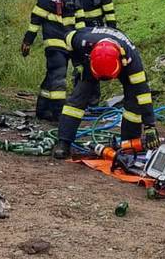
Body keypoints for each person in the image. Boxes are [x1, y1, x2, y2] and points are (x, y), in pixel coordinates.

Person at [53, 26, 159, 159]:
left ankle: (128, 145)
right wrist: (78, 63)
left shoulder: (132, 61)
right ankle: (63, 142)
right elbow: (67, 37)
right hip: (91, 64)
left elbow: (143, 94)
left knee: (134, 102)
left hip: (121, 62)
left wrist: (149, 125)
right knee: (77, 99)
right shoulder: (81, 41)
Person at [21, 0, 85, 121]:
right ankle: (58, 113)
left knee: (52, 76)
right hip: (54, 41)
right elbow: (36, 20)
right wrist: (28, 41)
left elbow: (80, 20)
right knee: (59, 74)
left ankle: (42, 110)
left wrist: (83, 41)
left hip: (71, 41)